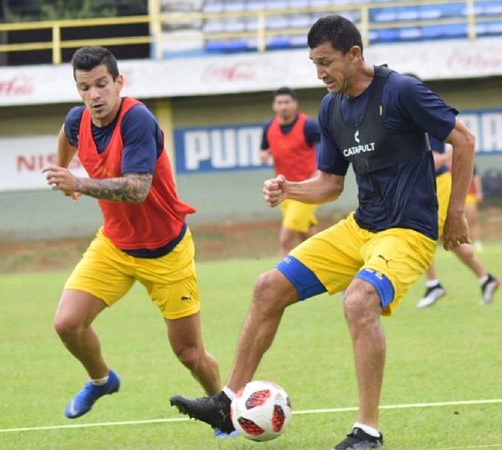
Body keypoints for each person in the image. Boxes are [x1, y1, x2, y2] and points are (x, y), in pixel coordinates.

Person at [169, 15, 476, 450]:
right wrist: (289, 188)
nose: (319, 73)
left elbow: (463, 139)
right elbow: (330, 183)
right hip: (360, 226)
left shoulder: (400, 91)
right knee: (267, 286)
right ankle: (228, 401)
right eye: (314, 63)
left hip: (407, 231)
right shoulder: (331, 107)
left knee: (359, 300)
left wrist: (456, 212)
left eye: (326, 62)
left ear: (354, 55)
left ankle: (367, 432)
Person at [42, 46, 223, 428]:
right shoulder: (79, 120)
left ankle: (222, 409)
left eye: (102, 85)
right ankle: (101, 380)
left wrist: (78, 181)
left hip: (166, 252)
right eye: (85, 87)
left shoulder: (136, 119)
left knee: (190, 354)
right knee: (66, 323)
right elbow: (67, 132)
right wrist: (62, 170)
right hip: (114, 245)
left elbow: (137, 189)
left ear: (119, 82)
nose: (94, 95)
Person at [416, 136, 500, 309]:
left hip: (437, 184)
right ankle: (486, 279)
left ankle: (433, 285)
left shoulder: (422, 116)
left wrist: (449, 155)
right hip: (425, 184)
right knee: (451, 240)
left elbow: (436, 159)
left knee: (421, 233)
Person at [259, 86, 322, 257]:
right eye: (280, 103)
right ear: (274, 106)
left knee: (286, 239)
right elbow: (263, 150)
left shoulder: (308, 126)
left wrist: (321, 169)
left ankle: (279, 282)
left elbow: (329, 143)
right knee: (307, 237)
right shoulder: (269, 127)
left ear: (295, 104)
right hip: (284, 191)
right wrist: (264, 155)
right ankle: (326, 267)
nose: (283, 106)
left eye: (287, 102)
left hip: (306, 189)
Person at [466, 169, 484, 251]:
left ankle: (477, 242)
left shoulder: (466, 159)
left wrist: (479, 192)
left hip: (469, 194)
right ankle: (464, 242)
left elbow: (476, 177)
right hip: (450, 194)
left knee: (473, 219)